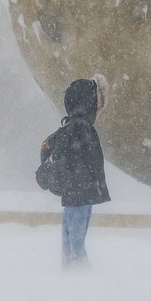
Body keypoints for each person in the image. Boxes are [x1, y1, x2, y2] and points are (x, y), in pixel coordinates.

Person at [40, 76, 110, 269]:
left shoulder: (73, 127)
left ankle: (77, 277)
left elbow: (62, 157)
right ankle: (77, 276)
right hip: (81, 193)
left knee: (71, 240)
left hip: (76, 193)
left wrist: (49, 165)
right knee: (73, 239)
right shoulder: (80, 127)